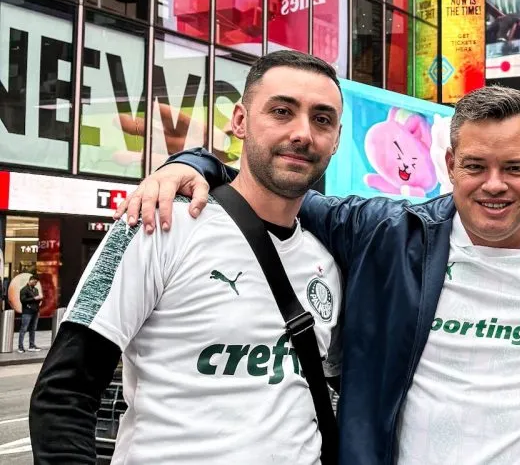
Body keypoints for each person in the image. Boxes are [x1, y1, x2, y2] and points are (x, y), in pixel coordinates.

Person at [114, 85, 520, 465]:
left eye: (514, 167)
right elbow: (273, 184)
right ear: (449, 165)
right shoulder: (389, 233)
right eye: (474, 166)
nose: (494, 186)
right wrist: (195, 164)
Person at [29, 50, 345, 464]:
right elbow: (63, 395)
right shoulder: (157, 224)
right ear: (239, 122)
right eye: (282, 111)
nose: (302, 133)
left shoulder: (328, 261)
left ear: (336, 138)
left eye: (322, 119)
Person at [18, 275, 41, 353]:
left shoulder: (36, 290)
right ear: (30, 280)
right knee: (23, 329)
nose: (35, 283)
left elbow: (38, 300)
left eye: (36, 282)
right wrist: (34, 298)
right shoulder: (24, 290)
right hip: (27, 312)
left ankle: (32, 345)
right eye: (34, 282)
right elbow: (23, 300)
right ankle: (20, 347)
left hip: (35, 311)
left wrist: (38, 300)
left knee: (33, 329)